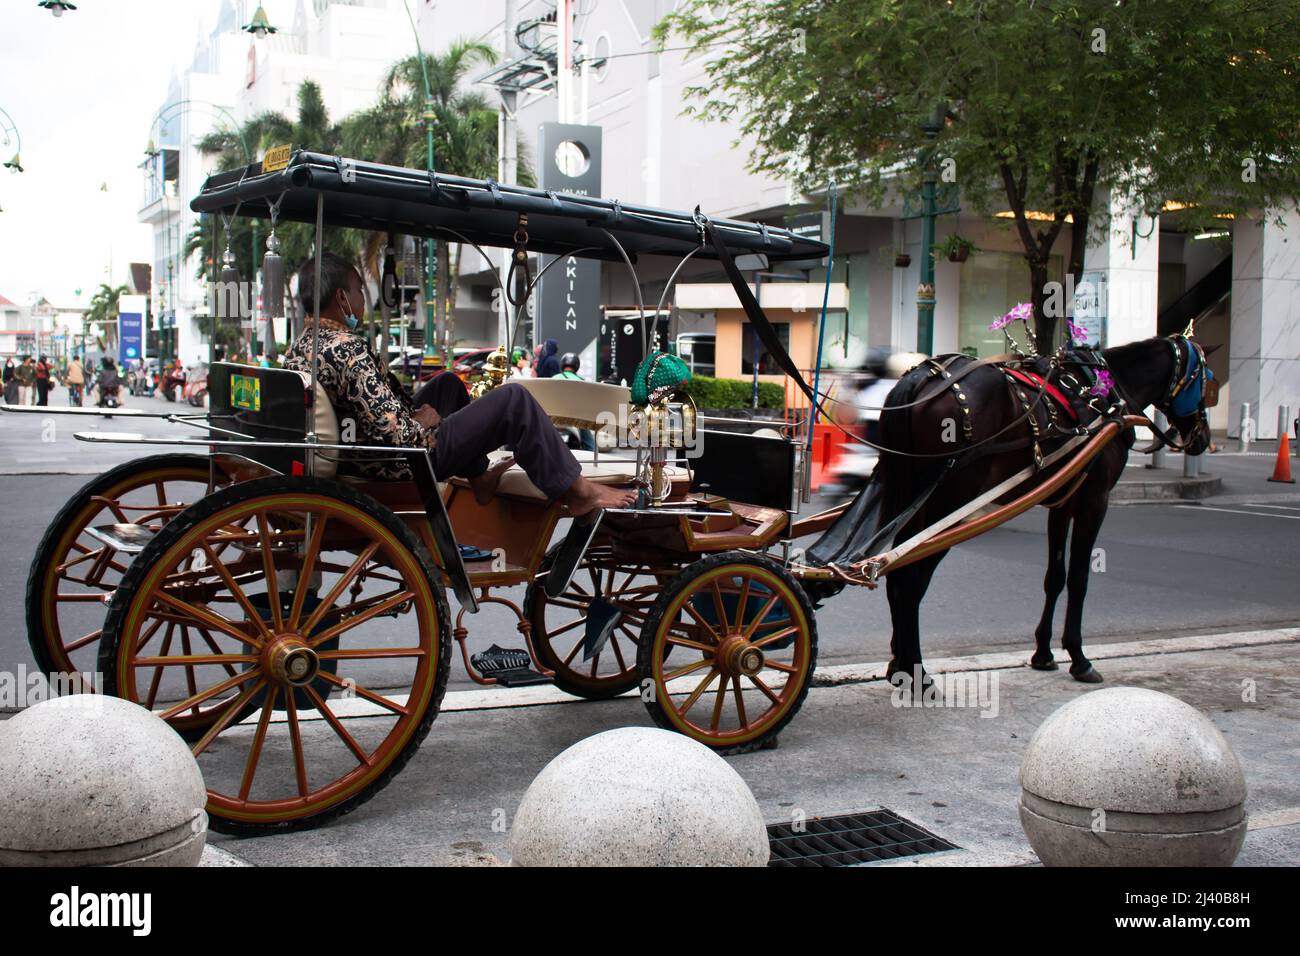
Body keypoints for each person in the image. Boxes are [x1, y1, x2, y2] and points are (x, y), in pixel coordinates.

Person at [281, 254, 634, 515]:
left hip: (362, 448)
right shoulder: (346, 349)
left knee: (448, 384)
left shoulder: (302, 346)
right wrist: (424, 421)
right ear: (342, 299)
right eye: (359, 289)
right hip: (400, 460)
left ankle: (479, 476)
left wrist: (422, 413)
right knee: (514, 399)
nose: (363, 299)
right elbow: (401, 437)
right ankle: (578, 490)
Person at [555, 352, 597, 451]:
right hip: (575, 418)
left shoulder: (554, 378)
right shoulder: (582, 381)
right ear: (576, 366)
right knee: (590, 444)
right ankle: (594, 459)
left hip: (555, 418)